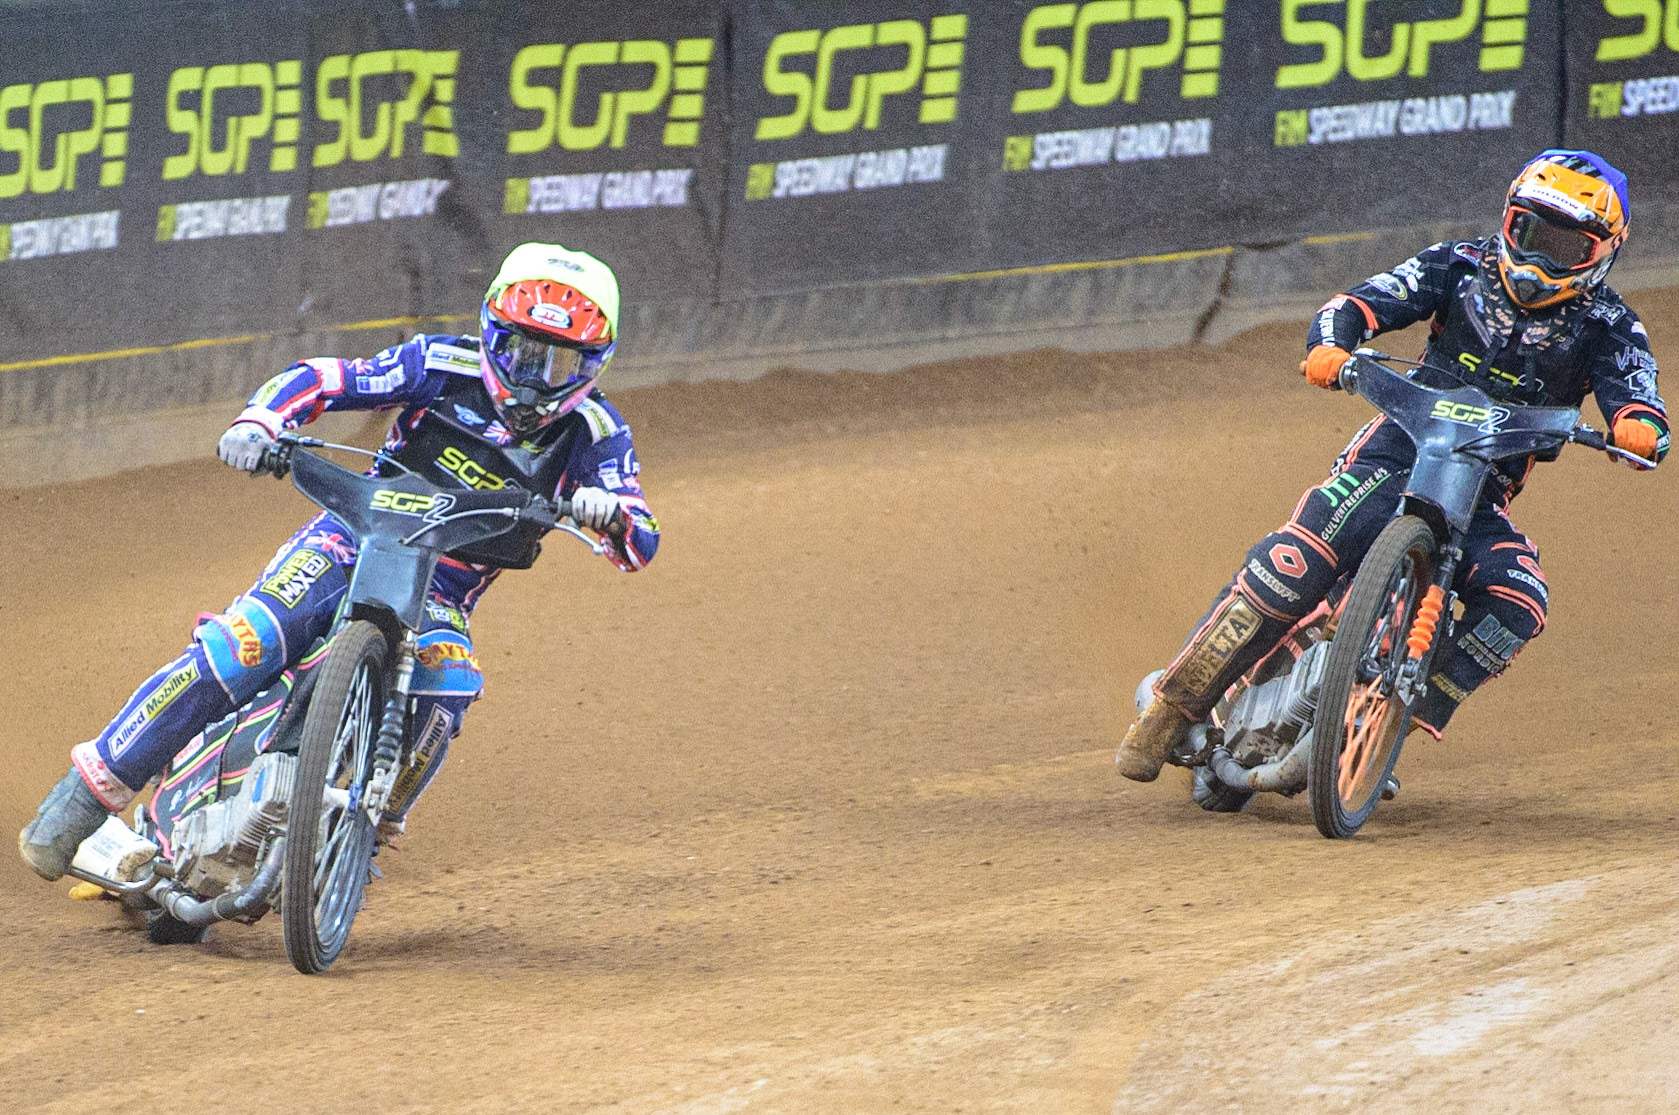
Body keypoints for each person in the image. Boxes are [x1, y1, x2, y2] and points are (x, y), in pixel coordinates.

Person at [19, 242, 660, 879]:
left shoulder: (597, 435)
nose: (532, 375)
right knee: (246, 643)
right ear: (492, 333)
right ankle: (86, 794)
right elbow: (327, 377)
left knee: (449, 686)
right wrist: (262, 421)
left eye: (557, 362)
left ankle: (365, 827)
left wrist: (609, 512)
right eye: (521, 351)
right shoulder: (438, 363)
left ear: (593, 364)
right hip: (350, 539)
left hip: (441, 589)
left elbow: (641, 538)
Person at [1115, 149, 1666, 784]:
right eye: (1531, 232)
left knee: (1520, 600)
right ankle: (1171, 708)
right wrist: (1330, 345)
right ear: (1509, 220)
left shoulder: (1611, 326)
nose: (1543, 257)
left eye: (1568, 246)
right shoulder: (1458, 265)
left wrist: (1639, 428)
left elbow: (1641, 397)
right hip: (1393, 456)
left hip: (1479, 495)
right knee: (1292, 566)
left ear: (1605, 252)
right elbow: (1357, 303)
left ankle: (1390, 720)